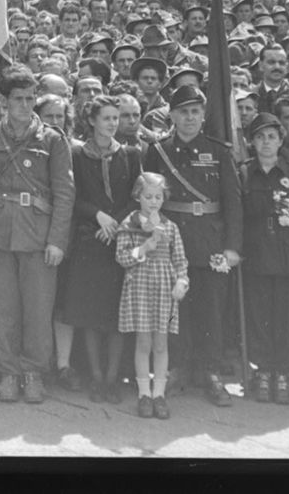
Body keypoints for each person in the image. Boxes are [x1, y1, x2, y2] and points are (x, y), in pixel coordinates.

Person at [0, 66, 75, 404]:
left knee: (37, 307)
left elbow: (64, 192)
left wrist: (58, 240)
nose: (25, 105)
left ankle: (33, 371)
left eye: (31, 98)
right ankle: (8, 372)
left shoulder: (52, 138)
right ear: (3, 101)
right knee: (2, 307)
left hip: (38, 232)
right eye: (18, 99)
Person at [143, 82, 242, 406]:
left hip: (210, 241)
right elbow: (148, 201)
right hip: (172, 242)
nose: (189, 118)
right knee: (175, 309)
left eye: (195, 112)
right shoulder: (158, 152)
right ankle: (178, 367)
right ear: (171, 114)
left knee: (212, 308)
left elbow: (233, 203)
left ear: (203, 115)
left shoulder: (218, 151)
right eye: (183, 112)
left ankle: (211, 372)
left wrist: (232, 247)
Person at [55, 94, 140, 403]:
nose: (113, 124)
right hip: (90, 240)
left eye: (116, 118)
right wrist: (98, 216)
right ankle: (95, 375)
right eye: (106, 118)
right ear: (92, 121)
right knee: (91, 313)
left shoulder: (130, 154)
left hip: (119, 239)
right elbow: (72, 197)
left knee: (116, 314)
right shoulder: (77, 155)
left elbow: (135, 196)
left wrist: (115, 221)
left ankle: (112, 377)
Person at [239, 112, 289, 405]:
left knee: (288, 317)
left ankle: (284, 372)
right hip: (257, 257)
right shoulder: (244, 173)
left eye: (272, 136)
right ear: (251, 142)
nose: (266, 142)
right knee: (259, 317)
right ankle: (264, 371)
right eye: (259, 137)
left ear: (281, 139)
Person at [117, 171, 190, 420]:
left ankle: (159, 394)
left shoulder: (170, 227)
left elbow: (180, 260)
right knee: (143, 342)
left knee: (161, 342)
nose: (153, 202)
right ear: (138, 196)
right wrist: (144, 247)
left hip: (164, 291)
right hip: (139, 286)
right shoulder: (128, 224)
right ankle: (144, 394)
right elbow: (123, 257)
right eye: (148, 196)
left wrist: (182, 280)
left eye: (158, 197)